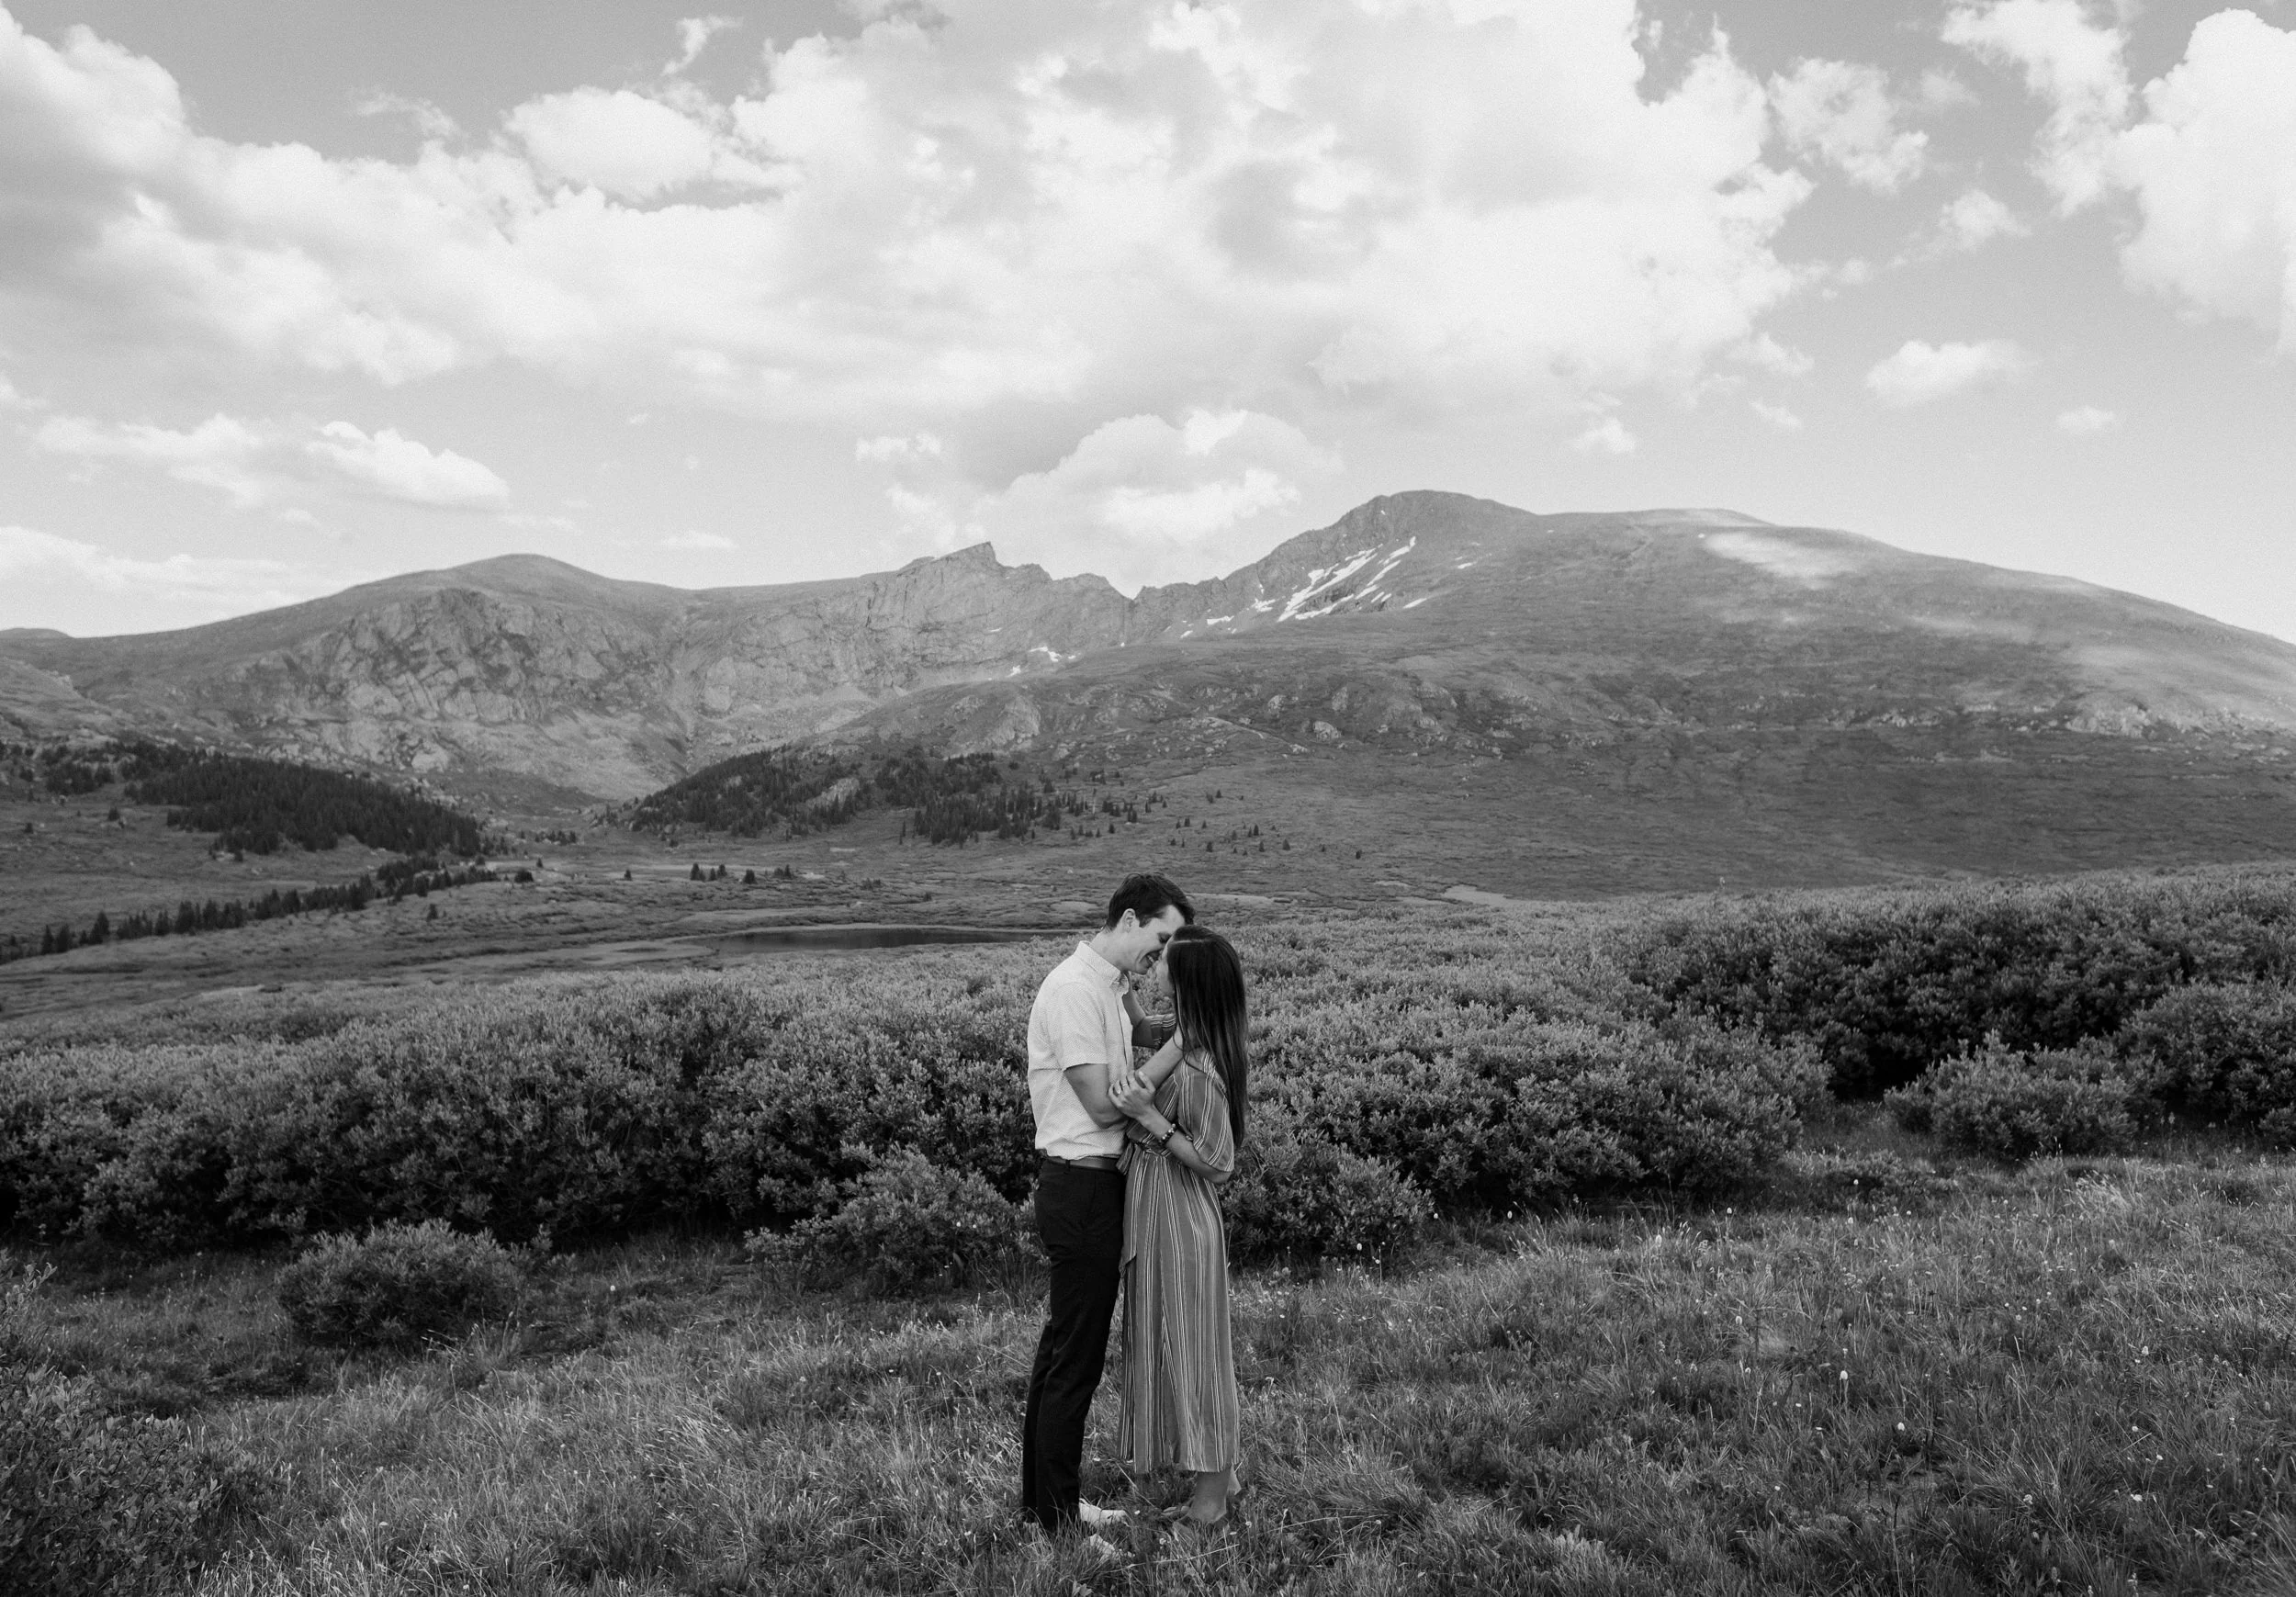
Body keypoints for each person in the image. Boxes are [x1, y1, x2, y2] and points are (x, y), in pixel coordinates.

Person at [1020, 872, 1194, 1540]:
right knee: (1075, 1361)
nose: (1163, 955)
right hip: (1082, 1188)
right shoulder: (1072, 990)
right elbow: (1101, 1102)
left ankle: (1046, 1504)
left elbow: (1146, 1029)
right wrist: (1183, 1044)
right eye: (1160, 938)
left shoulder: (1111, 986)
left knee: (1060, 1352)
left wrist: (1197, 1013)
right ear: (1127, 919)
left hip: (1095, 1186)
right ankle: (1059, 1524)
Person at [1109, 923, 1248, 1532]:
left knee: (1195, 1352)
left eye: (1166, 957)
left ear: (1186, 978)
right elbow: (1141, 1027)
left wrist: (1149, 1119)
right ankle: (1219, 1479)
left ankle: (1212, 1500)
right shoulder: (1183, 1032)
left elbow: (1219, 1162)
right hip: (1163, 1210)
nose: (1157, 960)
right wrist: (1115, 972)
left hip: (1181, 1216)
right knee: (1183, 1344)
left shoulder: (1195, 1067)